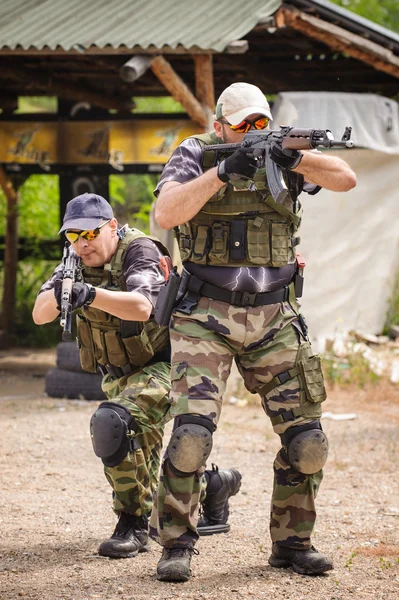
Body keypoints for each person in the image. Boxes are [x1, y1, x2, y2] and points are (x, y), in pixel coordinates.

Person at [150, 82, 357, 581]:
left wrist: (293, 159)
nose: (251, 131)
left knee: (308, 442)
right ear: (220, 125)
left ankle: (292, 544)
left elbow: (346, 178)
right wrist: (222, 172)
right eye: (241, 125)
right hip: (206, 315)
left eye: (259, 123)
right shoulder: (196, 152)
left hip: (276, 317)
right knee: (191, 438)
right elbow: (166, 212)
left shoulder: (286, 153)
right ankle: (176, 543)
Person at [32, 192, 242, 559]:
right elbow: (40, 314)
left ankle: (132, 524)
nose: (82, 244)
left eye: (90, 234)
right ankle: (213, 486)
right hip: (120, 375)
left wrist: (89, 293)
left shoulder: (139, 251)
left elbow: (142, 307)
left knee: (112, 424)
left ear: (112, 226)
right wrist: (64, 289)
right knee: (138, 459)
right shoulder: (73, 261)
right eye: (73, 236)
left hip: (166, 365)